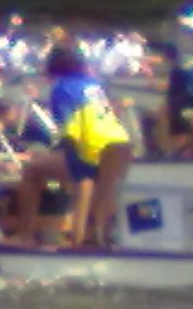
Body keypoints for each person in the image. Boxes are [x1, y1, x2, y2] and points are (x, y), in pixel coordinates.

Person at [15, 47, 132, 248]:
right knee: (103, 186)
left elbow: (67, 131)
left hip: (91, 144)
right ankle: (95, 236)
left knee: (33, 170)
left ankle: (27, 236)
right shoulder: (94, 84)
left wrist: (44, 154)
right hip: (120, 143)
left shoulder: (61, 88)